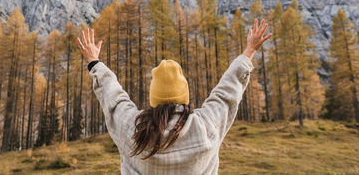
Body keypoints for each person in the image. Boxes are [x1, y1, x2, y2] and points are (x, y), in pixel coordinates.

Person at [77, 18, 272, 174]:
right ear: (184, 95)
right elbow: (226, 92)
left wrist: (94, 62)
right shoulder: (205, 126)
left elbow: (114, 97)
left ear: (154, 97)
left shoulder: (133, 129)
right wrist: (249, 51)